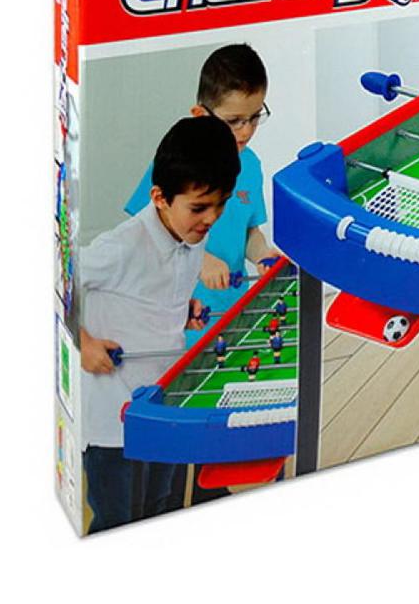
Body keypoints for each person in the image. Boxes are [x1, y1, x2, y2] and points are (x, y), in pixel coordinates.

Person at [80, 117, 239, 532]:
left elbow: (155, 288)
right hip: (113, 420)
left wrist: (182, 307)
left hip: (165, 401)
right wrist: (83, 343)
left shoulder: (192, 234)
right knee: (118, 521)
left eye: (220, 205)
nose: (211, 219)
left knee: (162, 507)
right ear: (160, 198)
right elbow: (55, 280)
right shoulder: (121, 246)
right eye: (199, 208)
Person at [125, 44, 278, 334]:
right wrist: (199, 262)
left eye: (255, 117)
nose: (246, 130)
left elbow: (248, 232)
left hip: (234, 314)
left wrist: (263, 254)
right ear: (200, 115)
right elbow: (142, 236)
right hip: (181, 322)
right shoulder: (176, 161)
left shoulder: (251, 165)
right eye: (234, 121)